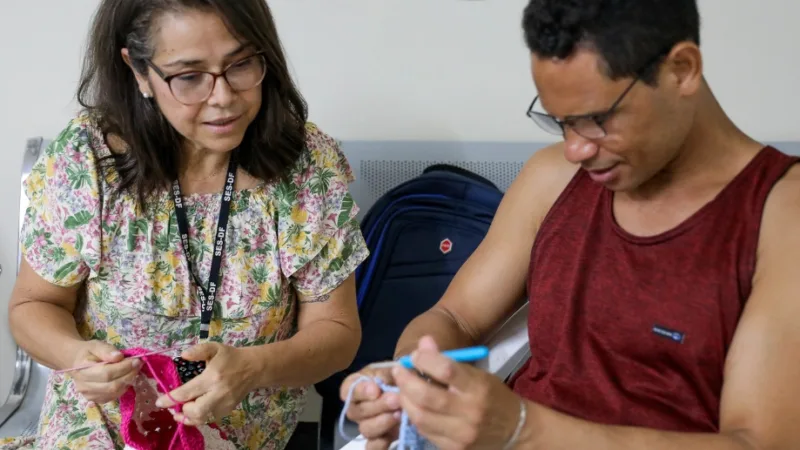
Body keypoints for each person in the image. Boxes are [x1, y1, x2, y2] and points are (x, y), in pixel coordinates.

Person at [341, 0, 800, 449]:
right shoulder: (553, 179)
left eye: (596, 120)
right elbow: (453, 316)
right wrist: (411, 384)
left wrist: (522, 430)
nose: (576, 149)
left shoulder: (781, 215)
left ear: (682, 70)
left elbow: (761, 442)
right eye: (560, 122)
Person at [5, 0, 368, 449]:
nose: (223, 97)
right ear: (139, 72)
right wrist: (75, 355)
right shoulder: (87, 161)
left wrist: (253, 369)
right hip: (102, 430)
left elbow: (337, 333)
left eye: (241, 64)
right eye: (189, 76)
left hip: (243, 435)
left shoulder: (307, 167)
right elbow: (34, 306)